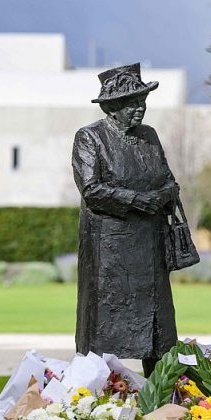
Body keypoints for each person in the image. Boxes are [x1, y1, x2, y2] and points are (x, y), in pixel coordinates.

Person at [72, 63, 181, 378]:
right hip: (110, 254)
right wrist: (138, 200)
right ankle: (95, 394)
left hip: (150, 248)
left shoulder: (149, 136)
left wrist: (163, 195)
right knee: (103, 329)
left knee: (160, 332)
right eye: (132, 103)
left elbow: (168, 180)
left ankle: (161, 398)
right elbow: (92, 190)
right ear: (112, 107)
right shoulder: (90, 138)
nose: (140, 109)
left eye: (142, 102)